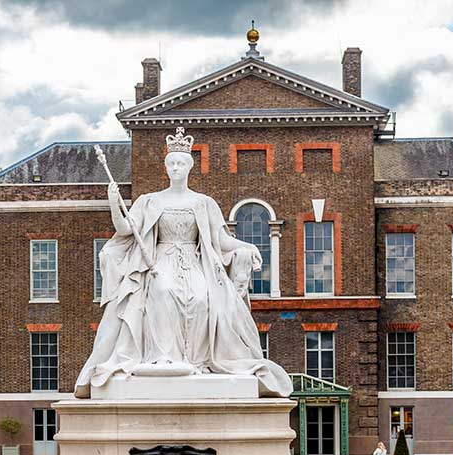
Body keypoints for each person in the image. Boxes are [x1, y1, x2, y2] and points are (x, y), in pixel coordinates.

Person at [75, 127, 292, 398]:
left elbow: (221, 240)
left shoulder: (203, 203)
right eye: (172, 164)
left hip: (193, 262)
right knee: (164, 293)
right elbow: (125, 230)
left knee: (202, 299)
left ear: (189, 168)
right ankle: (163, 358)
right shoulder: (150, 200)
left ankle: (194, 362)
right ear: (166, 168)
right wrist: (113, 203)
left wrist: (246, 247)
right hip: (160, 262)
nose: (176, 168)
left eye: (181, 164)